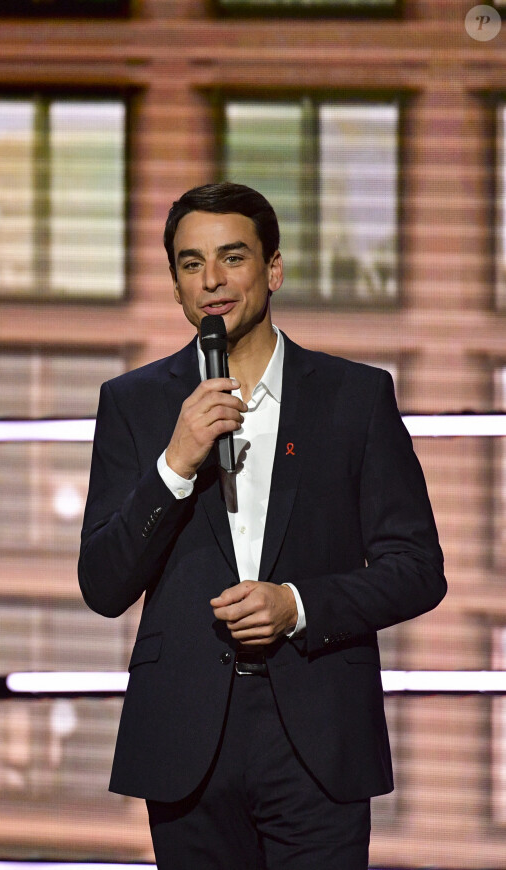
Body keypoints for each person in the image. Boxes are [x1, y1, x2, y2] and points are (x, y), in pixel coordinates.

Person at [78, 182, 446, 870]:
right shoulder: (132, 404)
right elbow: (102, 583)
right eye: (191, 264)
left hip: (317, 732)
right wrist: (174, 464)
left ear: (272, 270)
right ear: (176, 284)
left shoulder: (356, 397)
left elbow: (417, 568)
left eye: (232, 258)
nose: (212, 281)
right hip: (188, 735)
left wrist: (298, 605)